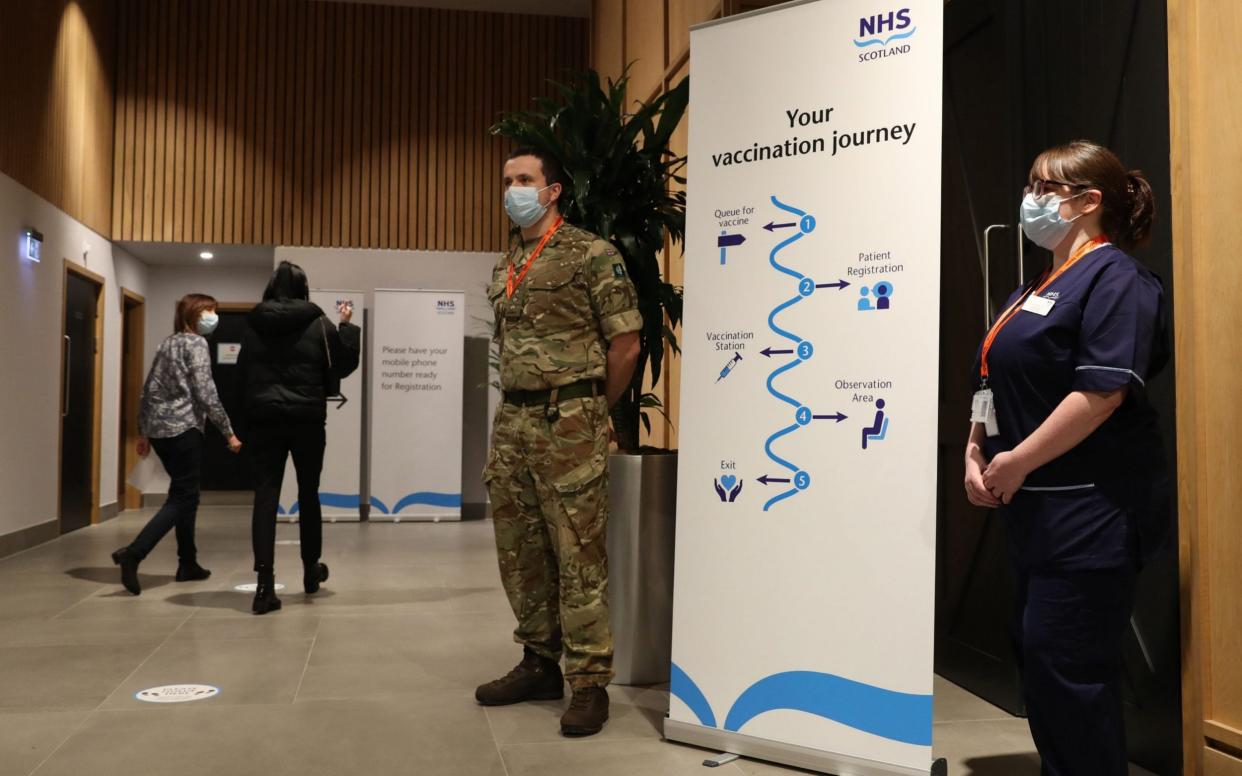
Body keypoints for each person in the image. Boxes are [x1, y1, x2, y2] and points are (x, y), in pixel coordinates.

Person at [963, 140, 1171, 776]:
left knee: (1070, 671)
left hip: (1092, 514)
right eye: (1032, 184)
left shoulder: (1119, 281)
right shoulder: (1035, 286)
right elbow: (994, 379)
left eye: (1045, 187)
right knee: (1040, 662)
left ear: (1089, 201)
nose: (1031, 199)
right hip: (1033, 511)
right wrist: (976, 447)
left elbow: (1102, 393)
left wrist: (1018, 460)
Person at [475, 147, 641, 736]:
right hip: (514, 422)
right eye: (507, 180)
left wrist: (593, 408)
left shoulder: (592, 252)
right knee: (520, 553)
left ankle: (589, 682)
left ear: (553, 191)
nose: (513, 189)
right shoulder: (507, 263)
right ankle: (539, 662)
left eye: (525, 179)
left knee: (577, 552)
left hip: (569, 420)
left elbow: (625, 344)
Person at [236, 262, 360, 615]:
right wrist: (347, 328)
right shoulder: (318, 322)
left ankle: (264, 586)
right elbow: (342, 366)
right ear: (304, 288)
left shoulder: (254, 324)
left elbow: (241, 374)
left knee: (265, 496)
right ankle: (310, 571)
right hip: (306, 419)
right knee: (308, 493)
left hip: (263, 420)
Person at [112, 294, 242, 595]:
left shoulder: (167, 343)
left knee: (186, 494)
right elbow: (206, 392)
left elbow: (149, 388)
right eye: (210, 311)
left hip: (159, 431)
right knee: (183, 498)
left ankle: (188, 563)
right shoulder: (196, 345)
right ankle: (134, 553)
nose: (213, 317)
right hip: (184, 428)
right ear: (195, 314)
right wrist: (228, 432)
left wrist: (143, 431)